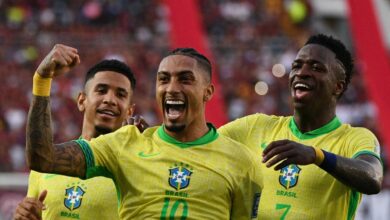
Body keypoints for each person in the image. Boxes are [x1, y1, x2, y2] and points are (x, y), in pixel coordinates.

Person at [25, 46, 263, 219]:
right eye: (163, 79)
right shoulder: (125, 143)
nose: (172, 88)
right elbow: (42, 158)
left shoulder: (241, 162)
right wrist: (42, 81)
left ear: (208, 92)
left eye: (185, 80)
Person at [219, 34, 383, 219]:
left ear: (338, 86)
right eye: (296, 66)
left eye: (316, 68)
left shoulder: (354, 138)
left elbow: (373, 178)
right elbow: (202, 145)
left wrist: (317, 156)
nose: (301, 72)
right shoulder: (255, 126)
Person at [14, 45, 141, 220]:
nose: (110, 99)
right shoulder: (44, 166)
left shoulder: (136, 169)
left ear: (129, 111)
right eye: (101, 90)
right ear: (81, 101)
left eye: (120, 95)